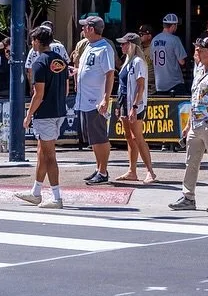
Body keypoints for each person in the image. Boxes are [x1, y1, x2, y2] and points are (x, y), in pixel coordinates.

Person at [169, 37, 208, 213]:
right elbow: (195, 100)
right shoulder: (199, 71)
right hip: (196, 124)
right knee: (191, 162)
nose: (197, 52)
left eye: (201, 50)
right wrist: (188, 124)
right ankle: (188, 197)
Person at [17, 27, 69, 209]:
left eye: (33, 40)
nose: (32, 43)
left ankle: (56, 197)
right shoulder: (60, 60)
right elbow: (66, 88)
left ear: (37, 41)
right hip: (59, 110)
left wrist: (28, 115)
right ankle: (36, 192)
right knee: (41, 152)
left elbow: (38, 94)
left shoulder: (39, 62)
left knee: (49, 156)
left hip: (45, 113)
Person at [74, 16, 117, 185]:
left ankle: (103, 171)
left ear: (91, 29)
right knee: (93, 139)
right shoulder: (88, 46)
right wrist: (77, 71)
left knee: (99, 137)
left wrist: (105, 98)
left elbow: (110, 74)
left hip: (95, 100)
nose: (82, 30)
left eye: (85, 27)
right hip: (85, 100)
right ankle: (99, 168)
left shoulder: (104, 48)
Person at [113, 31, 154, 184]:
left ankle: (150, 171)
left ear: (132, 45)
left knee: (137, 137)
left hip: (134, 104)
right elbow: (122, 86)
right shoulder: (127, 61)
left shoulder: (138, 62)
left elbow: (140, 86)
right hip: (125, 102)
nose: (121, 46)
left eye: (124, 44)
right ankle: (132, 170)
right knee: (129, 137)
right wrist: (119, 104)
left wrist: (135, 106)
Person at [151, 14, 188, 95]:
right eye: (176, 25)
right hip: (174, 82)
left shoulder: (154, 40)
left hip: (159, 84)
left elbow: (152, 59)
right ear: (173, 26)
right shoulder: (174, 39)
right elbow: (182, 62)